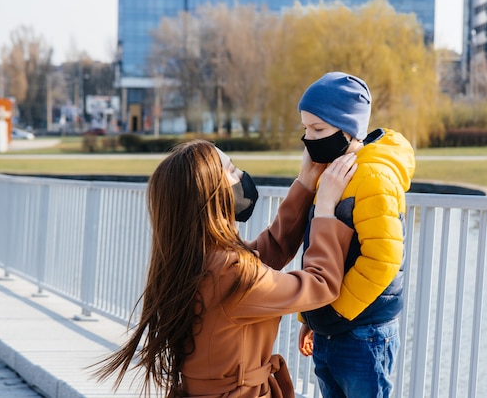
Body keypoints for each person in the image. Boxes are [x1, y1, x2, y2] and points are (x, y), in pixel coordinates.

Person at [90, 139, 357, 397]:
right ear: (210, 195)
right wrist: (324, 209)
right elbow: (321, 285)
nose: (241, 175)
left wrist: (306, 183)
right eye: (231, 170)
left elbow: (271, 249)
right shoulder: (230, 271)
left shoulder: (197, 261)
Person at [296, 72, 416, 398]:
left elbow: (383, 259)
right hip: (333, 329)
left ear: (349, 128)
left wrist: (335, 312)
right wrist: (312, 316)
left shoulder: (373, 176)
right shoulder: (331, 171)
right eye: (305, 128)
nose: (309, 138)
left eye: (318, 129)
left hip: (363, 331)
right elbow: (321, 248)